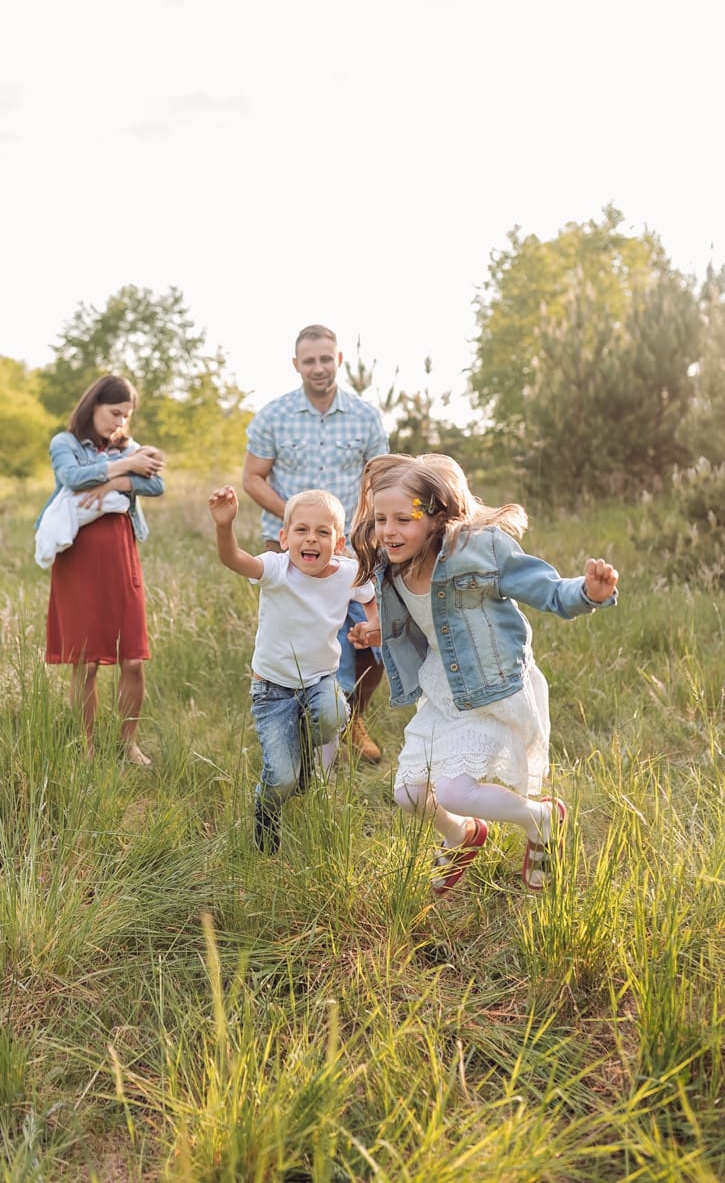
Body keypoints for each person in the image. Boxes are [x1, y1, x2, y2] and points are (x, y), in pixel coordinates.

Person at [348, 452, 619, 895]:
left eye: (403, 518)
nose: (388, 531)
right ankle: (462, 835)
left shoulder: (480, 552)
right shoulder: (393, 567)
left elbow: (548, 591)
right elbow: (426, 619)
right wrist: (377, 631)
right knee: (409, 794)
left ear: (436, 516)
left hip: (493, 687)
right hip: (444, 690)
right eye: (381, 519)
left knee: (453, 790)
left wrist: (588, 592)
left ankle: (544, 819)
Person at [242, 324, 389, 763]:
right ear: (296, 365)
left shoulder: (365, 417)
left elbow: (379, 478)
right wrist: (303, 522)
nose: (319, 368)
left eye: (326, 359)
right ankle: (290, 720)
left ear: (339, 360)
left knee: (371, 638)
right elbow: (252, 477)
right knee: (302, 633)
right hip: (293, 546)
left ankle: (350, 717)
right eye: (309, 360)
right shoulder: (274, 415)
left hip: (355, 544)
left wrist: (359, 535)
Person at [208, 484, 379, 854]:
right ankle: (267, 814)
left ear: (339, 543)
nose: (311, 539)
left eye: (323, 532)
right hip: (272, 691)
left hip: (320, 680)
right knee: (282, 780)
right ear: (285, 538)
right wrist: (225, 526)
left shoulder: (348, 572)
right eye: (301, 530)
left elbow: (370, 598)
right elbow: (233, 559)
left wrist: (373, 628)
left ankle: (305, 752)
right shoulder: (276, 568)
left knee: (334, 714)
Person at [35, 374, 165, 764]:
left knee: (133, 659)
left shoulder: (131, 447)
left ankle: (128, 744)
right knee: (86, 661)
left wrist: (115, 482)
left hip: (121, 556)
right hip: (78, 559)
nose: (120, 423)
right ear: (93, 405)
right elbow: (71, 478)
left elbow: (156, 487)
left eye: (126, 416)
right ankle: (87, 748)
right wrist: (127, 467)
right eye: (114, 413)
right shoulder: (66, 443)